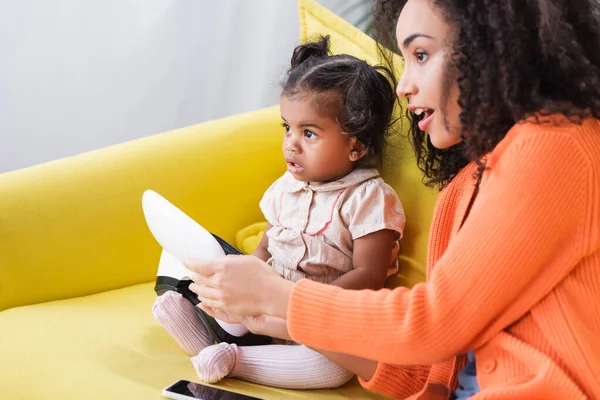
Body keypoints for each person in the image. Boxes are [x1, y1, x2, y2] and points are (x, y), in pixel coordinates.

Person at [186, 0, 600, 398]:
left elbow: (433, 323)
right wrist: (279, 319)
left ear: (493, 45)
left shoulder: (556, 144)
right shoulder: (465, 186)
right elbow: (429, 373)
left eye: (420, 54)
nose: (404, 85)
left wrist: (278, 294)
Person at [152, 35, 407, 389]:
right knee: (205, 268)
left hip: (322, 324)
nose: (291, 142)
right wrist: (241, 277)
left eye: (309, 133)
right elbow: (269, 243)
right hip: (264, 306)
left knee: (332, 369)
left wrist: (300, 307)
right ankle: (212, 334)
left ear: (356, 146)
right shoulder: (288, 186)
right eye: (287, 127)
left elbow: (370, 274)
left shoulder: (368, 198)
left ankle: (234, 359)